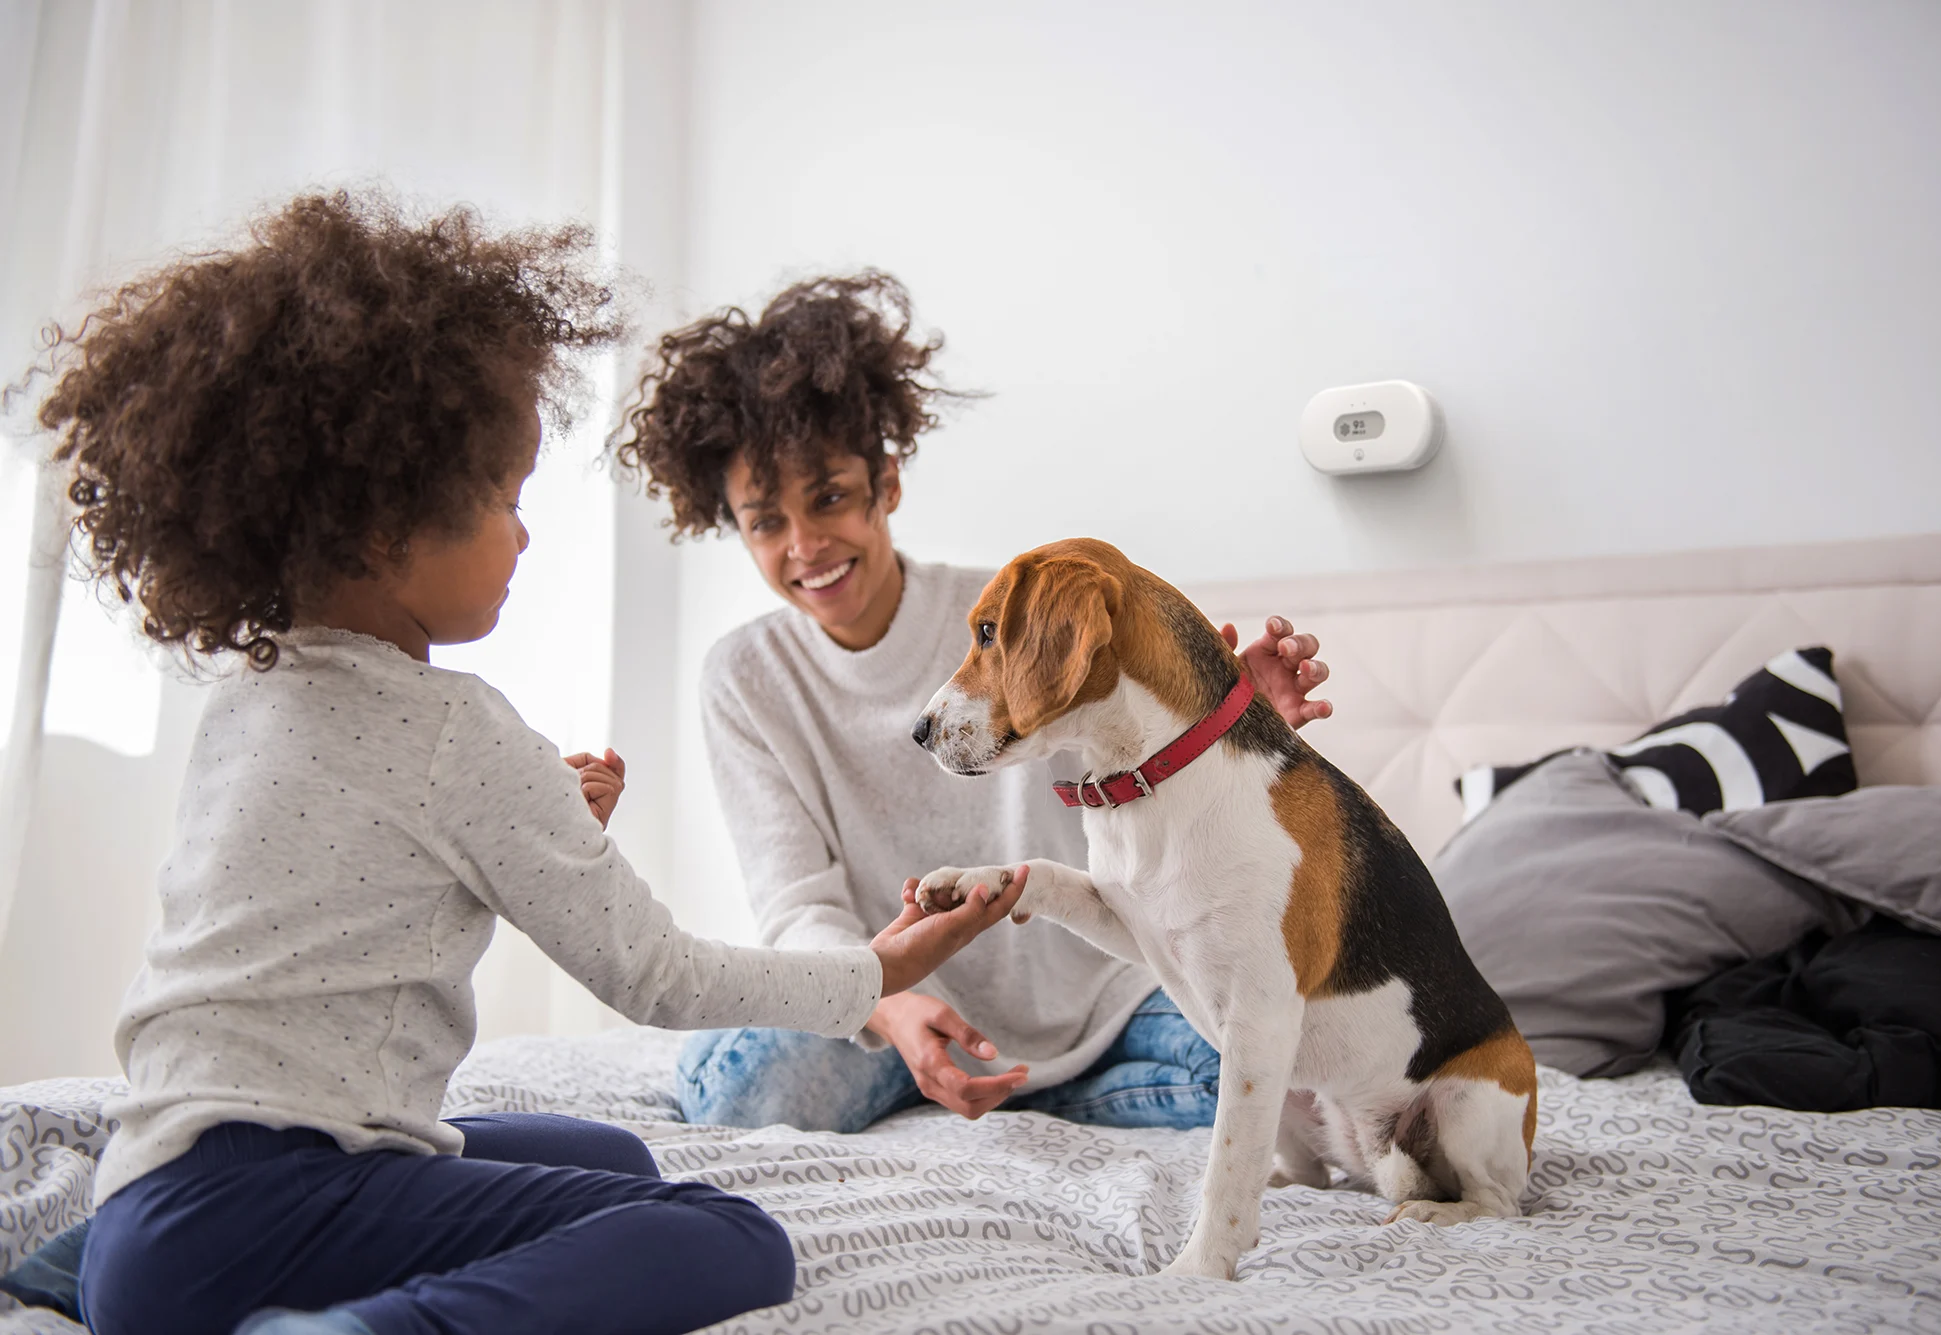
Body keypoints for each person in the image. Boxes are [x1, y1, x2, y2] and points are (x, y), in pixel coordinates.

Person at [29, 195, 1022, 1335]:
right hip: (265, 1206)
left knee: (602, 1153)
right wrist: (878, 972)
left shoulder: (254, 700)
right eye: (506, 499)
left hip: (152, 1207)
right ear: (382, 527)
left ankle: (81, 1267)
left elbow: (361, 899)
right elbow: (661, 980)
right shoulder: (458, 729)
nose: (524, 535)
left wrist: (543, 834)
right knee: (723, 1234)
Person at [614, 272, 1331, 1133]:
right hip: (887, 993)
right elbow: (798, 905)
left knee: (1288, 1081)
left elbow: (1131, 765)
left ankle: (1026, 1089)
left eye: (831, 497)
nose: (805, 544)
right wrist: (884, 1005)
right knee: (745, 1089)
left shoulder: (1012, 613)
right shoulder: (744, 677)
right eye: (766, 522)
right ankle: (1008, 1086)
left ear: (886, 485)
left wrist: (1222, 726)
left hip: (1098, 993)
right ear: (734, 525)